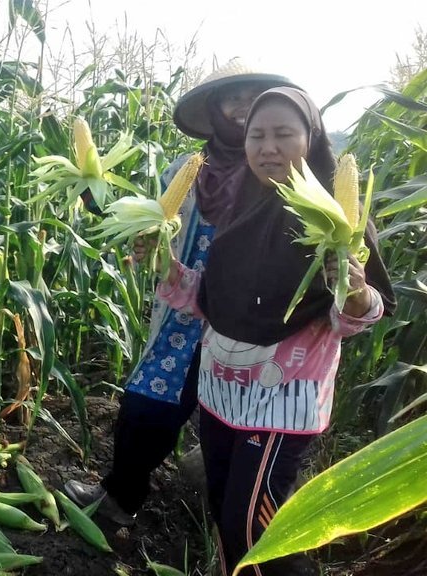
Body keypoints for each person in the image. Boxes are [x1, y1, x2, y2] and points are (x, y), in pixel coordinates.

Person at [151, 87, 394, 575]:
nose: (268, 147)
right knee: (223, 511)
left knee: (255, 530)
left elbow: (363, 314)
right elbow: (211, 301)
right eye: (256, 135)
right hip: (219, 393)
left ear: (310, 137)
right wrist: (163, 261)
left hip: (282, 404)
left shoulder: (335, 219)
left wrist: (352, 289)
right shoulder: (239, 206)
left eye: (284, 134)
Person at [65, 59, 299, 525]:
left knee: (233, 432)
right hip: (181, 311)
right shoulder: (182, 168)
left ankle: (234, 532)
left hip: (244, 327)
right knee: (144, 408)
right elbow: (142, 216)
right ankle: (119, 497)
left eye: (251, 99)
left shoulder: (278, 175)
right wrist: (96, 198)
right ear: (213, 109)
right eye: (231, 98)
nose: (240, 108)